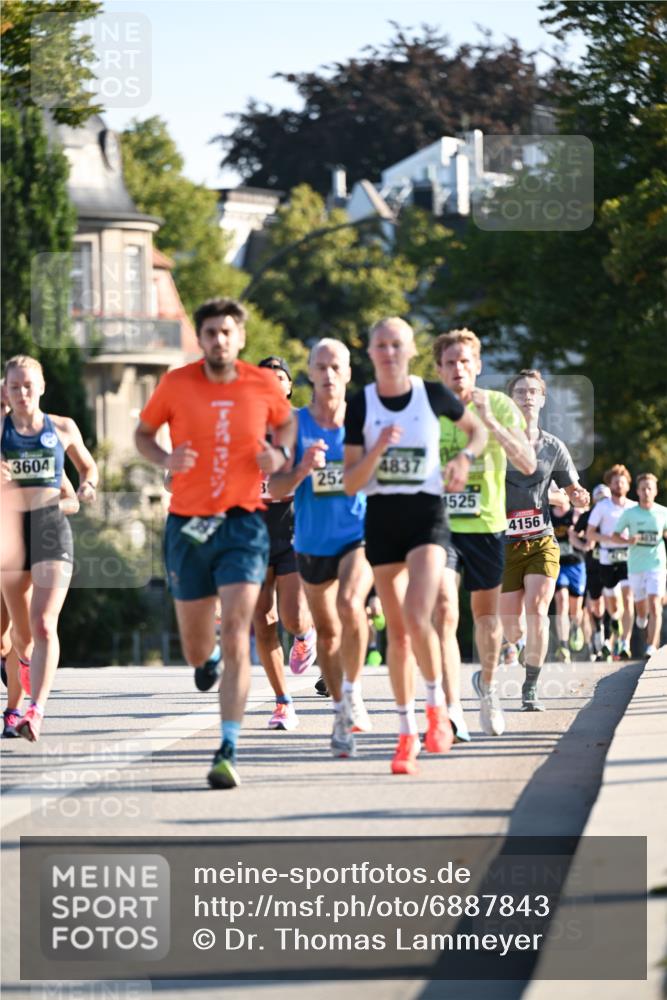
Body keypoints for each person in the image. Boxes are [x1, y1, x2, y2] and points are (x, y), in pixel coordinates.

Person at [135, 298, 293, 789]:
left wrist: (278, 454)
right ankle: (207, 664)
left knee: (239, 629)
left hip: (244, 524)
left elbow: (287, 425)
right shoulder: (176, 383)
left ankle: (228, 747)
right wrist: (165, 455)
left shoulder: (262, 385)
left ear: (240, 337)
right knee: (197, 647)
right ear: (200, 338)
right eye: (210, 332)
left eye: (227, 332)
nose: (219, 340)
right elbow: (142, 434)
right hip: (187, 524)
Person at [343, 317, 487, 775]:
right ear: (370, 352)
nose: (388, 352)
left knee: (418, 614)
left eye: (396, 344)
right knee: (399, 633)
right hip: (383, 520)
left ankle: (436, 709)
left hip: (427, 516)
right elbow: (350, 484)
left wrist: (463, 458)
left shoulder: (431, 394)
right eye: (380, 345)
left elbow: (477, 432)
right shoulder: (360, 405)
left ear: (409, 350)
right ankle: (407, 733)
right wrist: (378, 450)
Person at [270, 338, 373, 758]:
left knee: (351, 604)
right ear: (309, 374)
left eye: (336, 367)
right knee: (327, 632)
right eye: (321, 367)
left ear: (348, 373)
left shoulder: (365, 419)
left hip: (358, 534)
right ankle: (339, 709)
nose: (329, 375)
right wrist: (300, 469)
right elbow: (275, 488)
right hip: (311, 541)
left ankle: (355, 691)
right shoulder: (293, 425)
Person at [433, 329, 536, 740]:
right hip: (439, 526)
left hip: (488, 525)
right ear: (438, 369)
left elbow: (528, 464)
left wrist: (490, 422)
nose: (458, 369)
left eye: (465, 362)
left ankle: (488, 689)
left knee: (487, 620)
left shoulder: (500, 405)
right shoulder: (428, 409)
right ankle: (451, 708)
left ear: (477, 366)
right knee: (443, 609)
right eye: (450, 363)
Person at [1, 355, 97, 742]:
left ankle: (34, 711)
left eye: (28, 385)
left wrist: (88, 485)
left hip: (51, 529)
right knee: (21, 636)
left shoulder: (62, 427)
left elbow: (88, 469)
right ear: (5, 391)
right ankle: (23, 666)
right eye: (14, 387)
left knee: (43, 623)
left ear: (41, 387)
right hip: (9, 532)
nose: (22, 393)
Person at [499, 370, 589, 711]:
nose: (527, 397)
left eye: (533, 391)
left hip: (541, 539)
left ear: (542, 399)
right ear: (511, 398)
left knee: (538, 609)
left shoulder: (554, 447)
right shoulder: (497, 443)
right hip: (505, 542)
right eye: (520, 391)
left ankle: (531, 685)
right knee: (511, 628)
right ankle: (519, 647)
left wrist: (580, 497)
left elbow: (573, 492)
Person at [253, 356, 315, 732]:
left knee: (291, 616)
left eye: (279, 378)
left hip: (293, 526)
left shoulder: (301, 423)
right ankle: (283, 702)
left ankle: (305, 636)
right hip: (253, 528)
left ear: (289, 386)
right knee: (262, 619)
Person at [611, 473, 667, 658]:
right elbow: (615, 535)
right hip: (636, 566)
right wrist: (628, 539)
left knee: (655, 604)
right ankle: (641, 618)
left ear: (656, 491)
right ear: (637, 491)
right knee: (641, 608)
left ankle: (651, 647)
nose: (646, 492)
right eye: (643, 488)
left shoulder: (663, 512)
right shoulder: (630, 513)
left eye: (650, 488)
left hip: (657, 564)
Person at [585, 464, 637, 659]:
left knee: (628, 597)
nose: (618, 484)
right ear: (610, 484)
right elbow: (590, 534)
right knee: (614, 605)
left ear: (627, 485)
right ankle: (615, 620)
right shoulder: (602, 507)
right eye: (615, 482)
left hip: (628, 557)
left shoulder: (633, 507)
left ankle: (625, 643)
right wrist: (610, 539)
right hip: (607, 557)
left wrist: (633, 540)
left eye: (621, 481)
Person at [572, 484, 611, 660]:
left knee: (614, 601)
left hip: (614, 564)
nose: (603, 502)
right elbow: (573, 533)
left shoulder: (616, 515)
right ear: (594, 500)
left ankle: (610, 637)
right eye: (600, 498)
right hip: (593, 566)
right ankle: (600, 637)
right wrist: (583, 546)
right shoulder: (588, 517)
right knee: (594, 605)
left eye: (606, 498)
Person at [551, 493, 588, 662]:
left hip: (576, 564)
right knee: (561, 601)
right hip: (557, 565)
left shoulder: (576, 514)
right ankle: (563, 645)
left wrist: (576, 536)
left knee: (575, 609)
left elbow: (589, 536)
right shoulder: (548, 515)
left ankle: (575, 627)